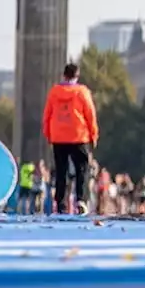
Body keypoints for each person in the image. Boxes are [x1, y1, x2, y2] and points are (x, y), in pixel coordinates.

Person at [42, 61, 99, 216]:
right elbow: (90, 115)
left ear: (63, 75)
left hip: (58, 136)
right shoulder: (82, 92)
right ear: (77, 75)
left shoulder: (54, 92)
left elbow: (47, 114)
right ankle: (81, 199)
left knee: (61, 171)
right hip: (79, 135)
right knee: (82, 169)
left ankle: (60, 203)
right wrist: (94, 135)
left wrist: (48, 134)